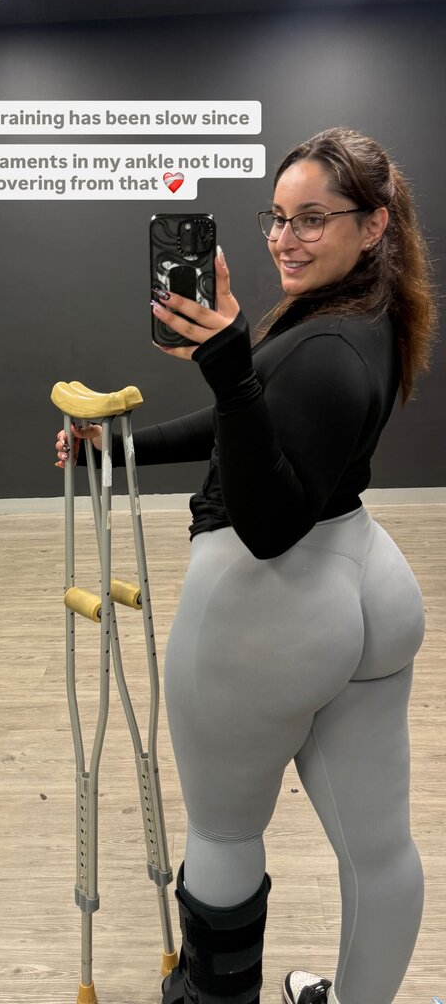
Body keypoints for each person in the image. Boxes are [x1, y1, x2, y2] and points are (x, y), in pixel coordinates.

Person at [55, 128, 439, 1004]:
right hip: (366, 581)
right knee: (379, 847)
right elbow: (255, 429)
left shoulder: (329, 347)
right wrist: (119, 445)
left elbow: (268, 525)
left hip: (269, 609)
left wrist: (228, 364)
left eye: (312, 219)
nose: (283, 239)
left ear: (374, 224)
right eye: (276, 217)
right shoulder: (364, 318)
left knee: (224, 835)